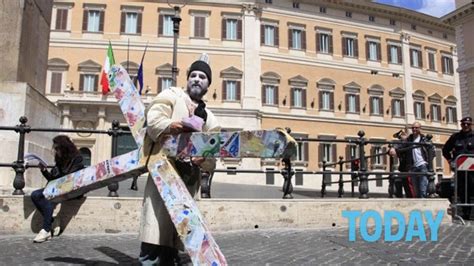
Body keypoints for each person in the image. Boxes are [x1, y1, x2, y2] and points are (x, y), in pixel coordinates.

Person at [138, 57, 220, 265]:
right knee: (154, 238)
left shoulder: (211, 119)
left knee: (172, 247)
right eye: (193, 75)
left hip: (187, 183)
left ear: (208, 84)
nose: (196, 79)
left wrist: (203, 158)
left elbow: (212, 159)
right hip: (163, 175)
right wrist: (174, 125)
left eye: (202, 77)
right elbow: (154, 120)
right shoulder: (172, 95)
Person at [31, 135, 84, 243]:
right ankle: (52, 220)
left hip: (72, 189)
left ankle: (45, 230)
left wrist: (58, 174)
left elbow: (70, 178)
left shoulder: (77, 158)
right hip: (58, 188)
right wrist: (44, 171)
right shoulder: (59, 159)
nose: (56, 151)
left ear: (64, 148)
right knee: (35, 195)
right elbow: (52, 180)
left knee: (50, 198)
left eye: (57, 148)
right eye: (55, 148)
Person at [389, 122, 434, 198]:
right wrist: (393, 147)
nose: (414, 129)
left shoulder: (424, 139)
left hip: (422, 165)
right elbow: (401, 144)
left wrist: (427, 162)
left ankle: (423, 206)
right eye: (413, 128)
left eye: (416, 128)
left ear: (420, 128)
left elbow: (432, 152)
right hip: (413, 167)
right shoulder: (409, 139)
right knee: (415, 189)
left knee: (423, 188)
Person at [442, 116, 474, 219]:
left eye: (468, 124)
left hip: (473, 170)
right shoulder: (455, 137)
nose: (465, 126)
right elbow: (445, 150)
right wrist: (451, 161)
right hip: (460, 170)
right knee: (463, 191)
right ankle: (466, 214)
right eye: (464, 124)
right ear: (461, 125)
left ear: (471, 125)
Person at [389, 129, 415, 198]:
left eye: (402, 135)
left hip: (409, 167)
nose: (400, 138)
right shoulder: (403, 143)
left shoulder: (409, 141)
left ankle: (412, 199)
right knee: (405, 185)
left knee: (410, 186)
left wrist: (395, 148)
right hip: (404, 167)